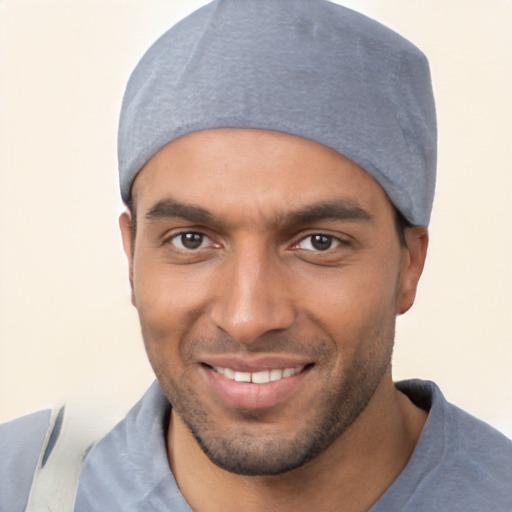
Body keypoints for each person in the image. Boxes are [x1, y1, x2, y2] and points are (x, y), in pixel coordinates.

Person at [1, 0, 511, 510]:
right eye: (192, 240)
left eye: (319, 242)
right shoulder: (21, 485)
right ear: (132, 256)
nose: (247, 319)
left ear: (409, 265)